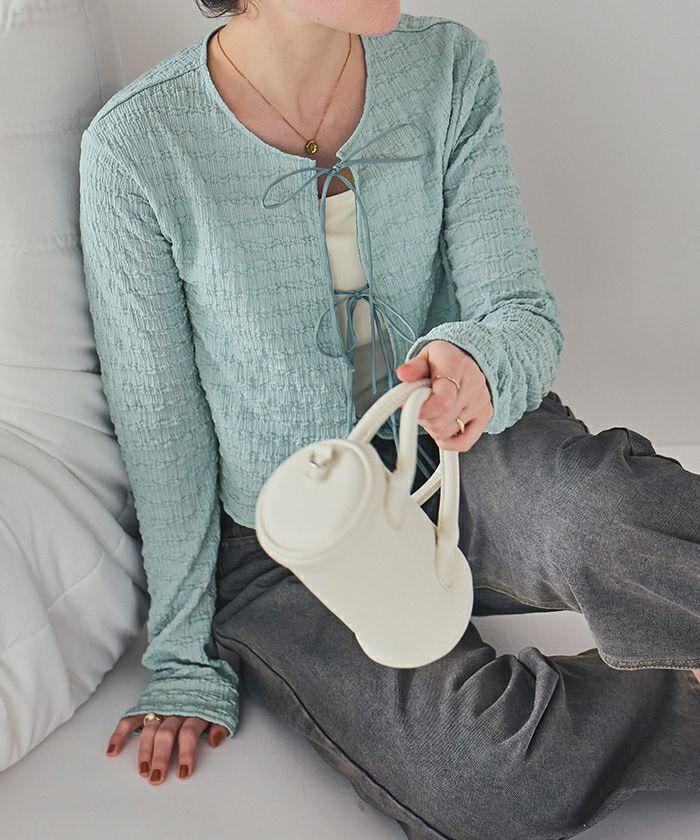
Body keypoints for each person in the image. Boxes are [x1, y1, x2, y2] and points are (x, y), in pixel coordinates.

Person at [78, 0, 699, 835]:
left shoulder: (447, 66)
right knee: (487, 776)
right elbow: (164, 432)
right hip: (286, 545)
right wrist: (183, 655)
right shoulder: (137, 146)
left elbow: (517, 312)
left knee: (609, 521)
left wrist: (477, 364)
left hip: (460, 450)